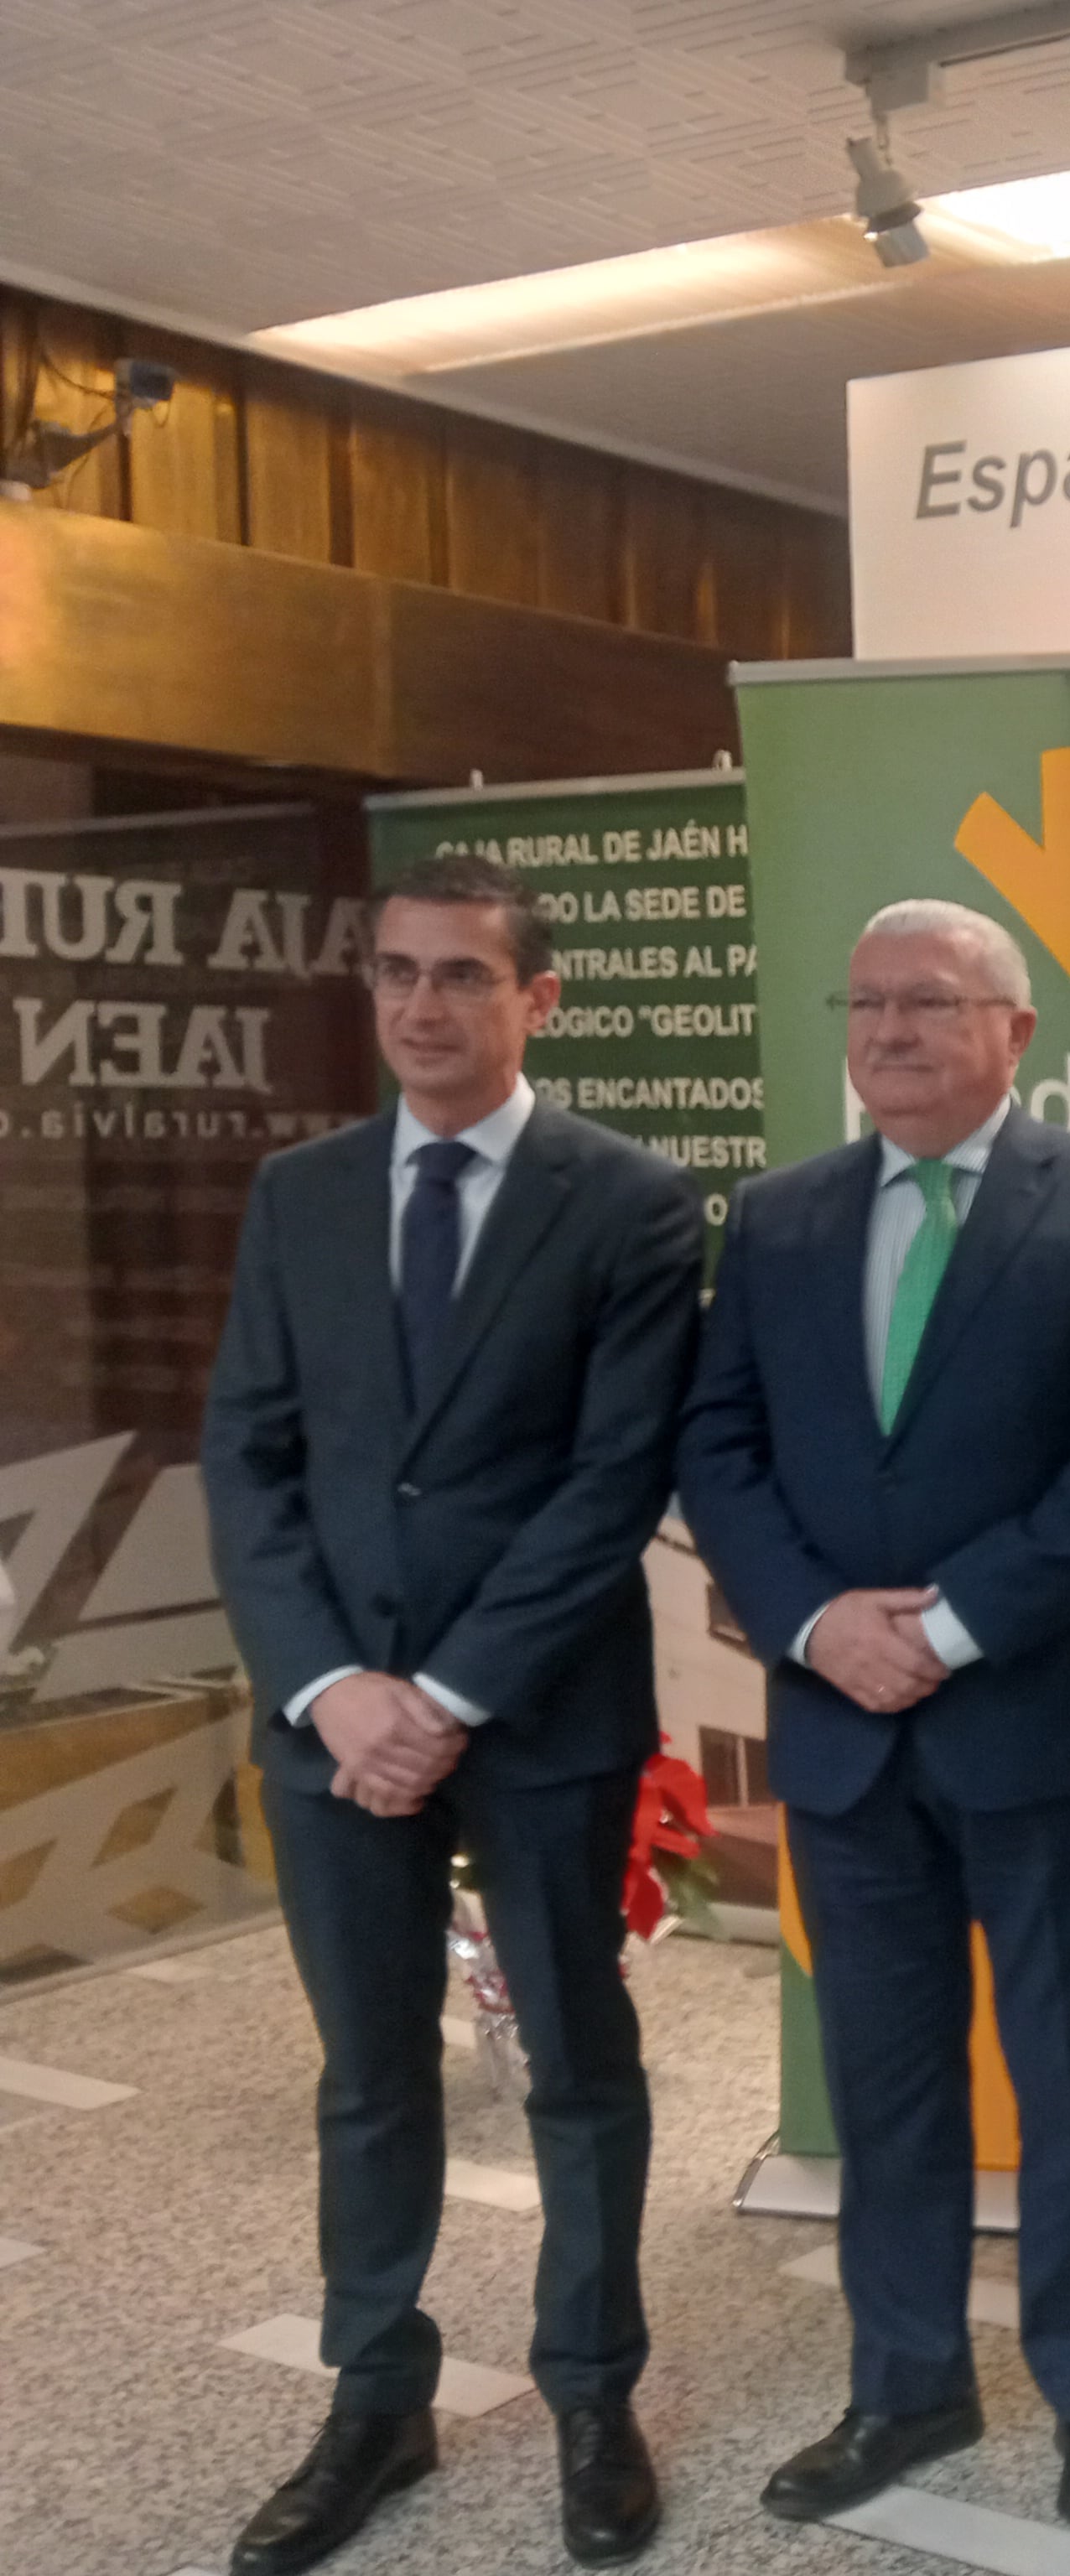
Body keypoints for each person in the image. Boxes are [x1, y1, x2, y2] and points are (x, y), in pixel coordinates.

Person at [677, 898, 1070, 2542]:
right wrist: (826, 1624)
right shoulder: (778, 1217)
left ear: (1015, 1033)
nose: (892, 1030)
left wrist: (954, 1627)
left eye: (931, 1002)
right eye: (870, 1001)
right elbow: (720, 1441)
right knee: (886, 2081)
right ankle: (905, 2382)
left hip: (1043, 1712)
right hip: (842, 1724)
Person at [203, 854, 703, 2574]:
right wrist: (338, 1691)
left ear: (535, 1000)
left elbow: (607, 1480)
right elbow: (248, 1457)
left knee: (576, 2062)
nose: (424, 1006)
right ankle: (376, 2398)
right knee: (369, 2073)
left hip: (541, 1711)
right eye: (400, 973)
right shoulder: (303, 1193)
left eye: (465, 978)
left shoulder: (631, 1199)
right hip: (332, 1721)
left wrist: (450, 1693)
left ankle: (590, 2393)